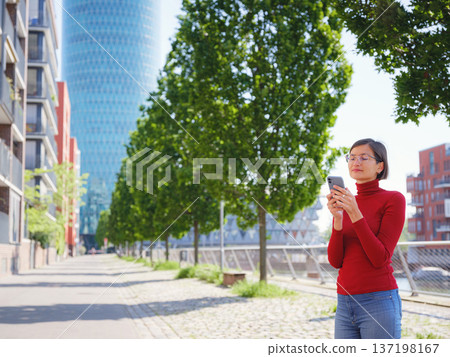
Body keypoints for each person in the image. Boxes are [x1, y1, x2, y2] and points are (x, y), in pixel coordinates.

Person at [326, 138, 405, 339]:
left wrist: (354, 214)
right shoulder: (348, 202)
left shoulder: (393, 199)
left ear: (380, 166)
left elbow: (380, 258)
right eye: (351, 157)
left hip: (378, 300)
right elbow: (335, 261)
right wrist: (337, 219)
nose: (356, 162)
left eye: (363, 157)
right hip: (344, 301)